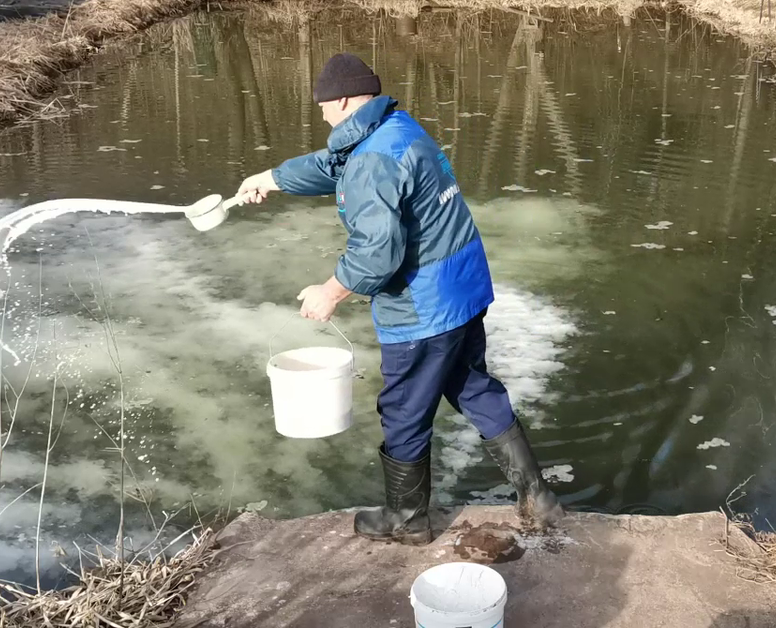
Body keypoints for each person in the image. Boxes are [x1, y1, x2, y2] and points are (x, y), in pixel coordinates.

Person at [235, 53, 564, 545]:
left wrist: (330, 292)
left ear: (341, 100)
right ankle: (538, 498)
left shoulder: (371, 159)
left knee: (405, 410)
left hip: (423, 306)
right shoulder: (397, 128)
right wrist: (273, 178)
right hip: (463, 288)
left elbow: (377, 253)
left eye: (322, 106)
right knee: (471, 385)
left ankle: (407, 521)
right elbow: (333, 165)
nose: (321, 114)